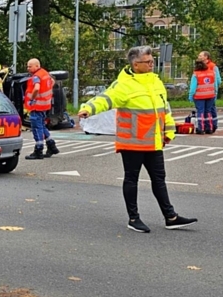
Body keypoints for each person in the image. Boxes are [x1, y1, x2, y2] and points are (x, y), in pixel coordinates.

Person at [78, 45, 197, 233]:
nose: (152, 64)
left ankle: (170, 217)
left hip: (153, 141)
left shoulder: (155, 82)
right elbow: (105, 98)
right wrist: (88, 108)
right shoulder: (123, 84)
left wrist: (169, 131)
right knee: (131, 179)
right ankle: (133, 218)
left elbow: (164, 109)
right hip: (132, 141)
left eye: (152, 61)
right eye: (148, 62)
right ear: (135, 64)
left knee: (159, 179)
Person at [24, 58, 60, 160]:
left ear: (36, 66)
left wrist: (32, 98)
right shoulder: (45, 73)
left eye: (30, 66)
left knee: (37, 127)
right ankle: (51, 146)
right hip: (45, 105)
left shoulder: (36, 76)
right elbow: (52, 81)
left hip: (37, 106)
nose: (28, 68)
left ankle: (38, 150)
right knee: (42, 126)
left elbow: (36, 88)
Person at [196, 50, 220, 133]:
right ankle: (209, 126)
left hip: (211, 91)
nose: (199, 57)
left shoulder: (213, 66)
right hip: (207, 92)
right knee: (208, 110)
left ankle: (213, 125)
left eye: (200, 55)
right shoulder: (200, 66)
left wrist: (215, 90)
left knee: (210, 109)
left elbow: (217, 79)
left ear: (206, 57)